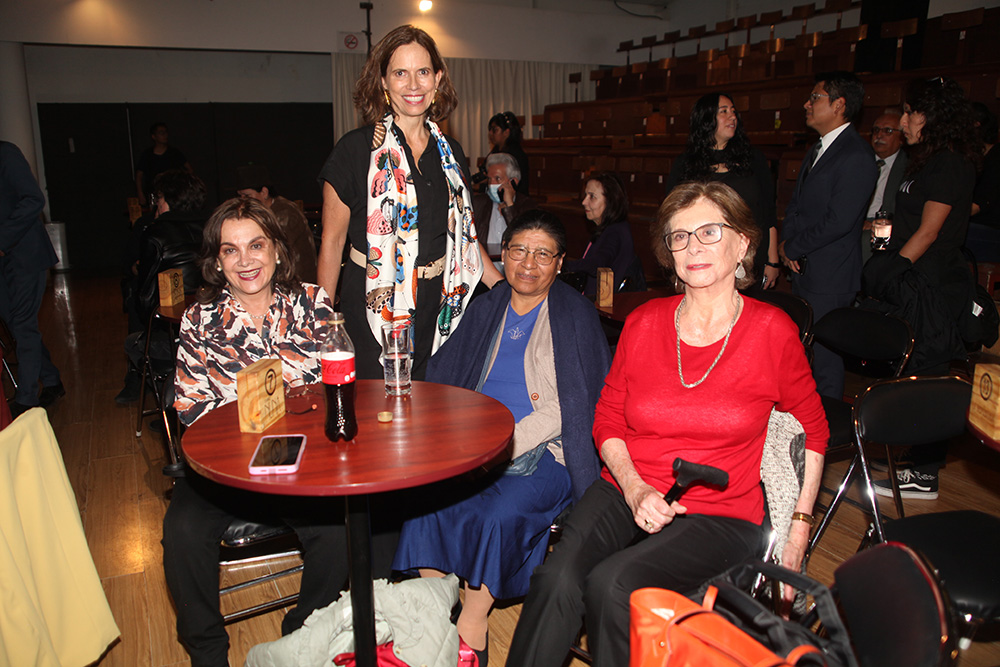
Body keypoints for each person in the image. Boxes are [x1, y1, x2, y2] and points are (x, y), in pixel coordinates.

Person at [506, 182, 828, 667]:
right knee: (557, 579)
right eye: (680, 237)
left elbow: (814, 433)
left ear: (742, 243)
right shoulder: (645, 322)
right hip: (627, 485)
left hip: (719, 510)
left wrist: (797, 535)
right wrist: (634, 487)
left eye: (709, 232)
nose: (693, 246)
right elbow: (609, 415)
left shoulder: (771, 331)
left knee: (614, 584)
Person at [393, 210, 611, 667]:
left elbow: (571, 405)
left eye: (542, 254)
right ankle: (437, 602)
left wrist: (503, 441)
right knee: (426, 501)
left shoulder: (575, 315)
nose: (528, 263)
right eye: (518, 250)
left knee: (497, 513)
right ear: (503, 254)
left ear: (560, 262)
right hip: (471, 439)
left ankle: (473, 619)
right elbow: (450, 375)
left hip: (544, 449)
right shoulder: (488, 306)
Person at [164, 198, 347, 666]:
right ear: (217, 261)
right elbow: (190, 407)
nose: (246, 260)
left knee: (339, 530)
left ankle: (302, 631)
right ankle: (207, 652)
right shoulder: (199, 321)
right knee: (181, 532)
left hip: (304, 465)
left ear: (278, 252)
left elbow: (337, 386)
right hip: (227, 470)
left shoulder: (313, 304)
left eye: (256, 245)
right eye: (231, 250)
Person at [316, 25, 502, 382]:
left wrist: (501, 287)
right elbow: (333, 241)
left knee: (435, 409)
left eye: (423, 72)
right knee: (380, 413)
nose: (413, 85)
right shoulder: (355, 150)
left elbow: (464, 238)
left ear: (438, 79)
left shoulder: (453, 152)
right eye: (400, 73)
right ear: (384, 82)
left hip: (441, 300)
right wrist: (325, 321)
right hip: (374, 298)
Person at [865, 77, 982, 501]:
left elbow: (931, 232)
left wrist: (891, 269)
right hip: (916, 280)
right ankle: (913, 457)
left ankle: (926, 473)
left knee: (930, 374)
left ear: (930, 118)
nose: (904, 121)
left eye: (911, 113)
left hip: (934, 284)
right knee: (915, 370)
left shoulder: (950, 163)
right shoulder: (926, 162)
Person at [779, 71, 878, 399]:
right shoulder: (818, 148)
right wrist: (788, 242)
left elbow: (840, 221)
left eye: (815, 98)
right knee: (803, 357)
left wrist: (793, 245)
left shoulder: (856, 155)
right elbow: (796, 205)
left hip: (830, 275)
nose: (807, 104)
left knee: (825, 360)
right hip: (805, 268)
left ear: (839, 105)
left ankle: (827, 435)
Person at [665, 92, 780, 289]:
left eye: (734, 112)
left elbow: (768, 212)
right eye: (723, 111)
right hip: (704, 256)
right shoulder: (686, 164)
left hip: (749, 257)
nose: (732, 117)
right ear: (706, 119)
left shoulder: (753, 159)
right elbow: (672, 217)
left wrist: (773, 260)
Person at [117, 169, 208, 404]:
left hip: (172, 333)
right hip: (214, 327)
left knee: (135, 334)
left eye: (158, 198)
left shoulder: (155, 232)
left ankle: (167, 397)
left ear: (165, 199)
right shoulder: (215, 226)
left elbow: (146, 301)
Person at [0, 141, 64, 417]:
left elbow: (34, 199)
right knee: (15, 325)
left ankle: (26, 401)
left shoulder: (5, 154)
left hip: (25, 254)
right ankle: (51, 379)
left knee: (23, 325)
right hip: (4, 260)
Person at [236, 163, 318, 283]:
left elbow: (275, 252)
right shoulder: (266, 212)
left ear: (264, 192)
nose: (243, 200)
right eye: (241, 196)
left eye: (247, 195)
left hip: (296, 282)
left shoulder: (285, 213)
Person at [564, 172, 641, 296]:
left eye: (592, 196)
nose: (584, 202)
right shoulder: (610, 228)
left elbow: (598, 263)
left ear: (610, 201)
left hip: (605, 305)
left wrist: (563, 265)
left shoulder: (616, 232)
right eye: (585, 195)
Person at [862, 110, 908, 265]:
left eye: (887, 131)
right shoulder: (860, 161)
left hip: (885, 225)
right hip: (857, 221)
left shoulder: (909, 167)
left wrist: (877, 222)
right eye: (876, 130)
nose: (879, 136)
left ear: (902, 138)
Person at [471, 153, 537, 257]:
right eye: (489, 179)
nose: (491, 184)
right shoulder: (478, 203)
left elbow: (526, 239)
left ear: (513, 182)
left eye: (497, 179)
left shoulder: (527, 205)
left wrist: (510, 207)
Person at [965, 102, 1000, 261]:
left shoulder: (997, 155)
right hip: (974, 223)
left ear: (976, 125)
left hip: (991, 227)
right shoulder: (971, 157)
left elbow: (981, 203)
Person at [135, 122, 192, 208]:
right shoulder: (147, 155)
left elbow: (189, 169)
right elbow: (139, 175)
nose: (165, 135)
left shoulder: (174, 153)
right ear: (153, 136)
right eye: (161, 133)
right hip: (154, 195)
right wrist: (140, 194)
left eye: (166, 132)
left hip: (173, 195)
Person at [473, 112, 530, 196]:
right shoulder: (496, 151)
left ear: (506, 132)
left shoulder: (515, 154)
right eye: (490, 130)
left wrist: (479, 187)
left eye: (495, 130)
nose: (491, 134)